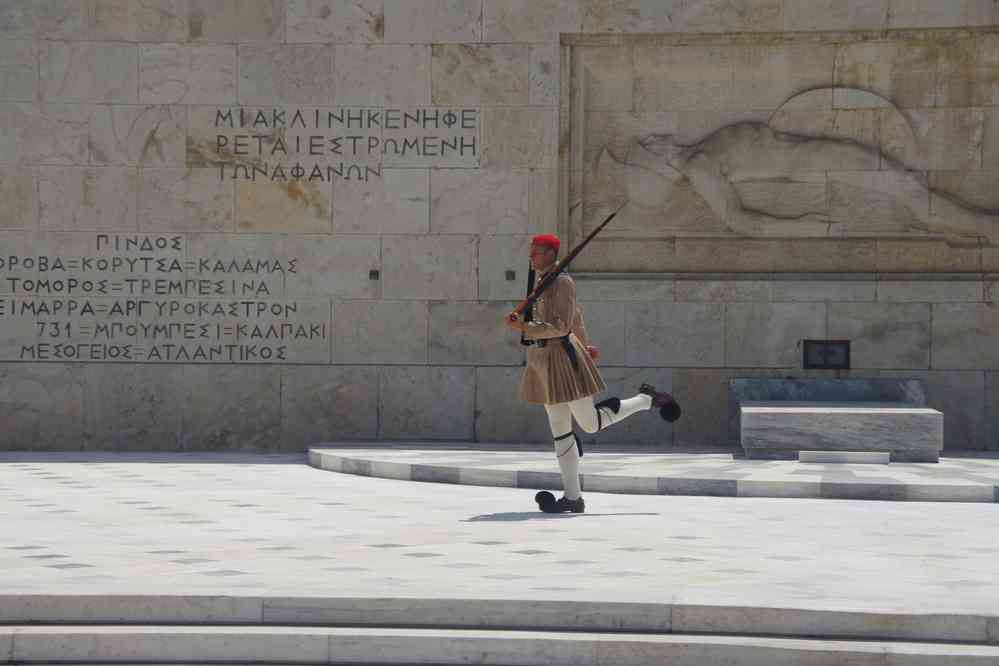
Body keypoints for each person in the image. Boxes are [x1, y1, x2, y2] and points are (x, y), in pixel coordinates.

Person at [504, 233, 680, 514]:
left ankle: (646, 399)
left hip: (562, 358)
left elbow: (562, 325)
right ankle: (573, 497)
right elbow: (577, 318)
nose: (531, 257)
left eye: (535, 252)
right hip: (542, 359)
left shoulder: (562, 281)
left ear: (550, 253)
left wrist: (525, 328)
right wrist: (584, 343)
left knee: (589, 423)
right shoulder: (543, 281)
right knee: (560, 430)